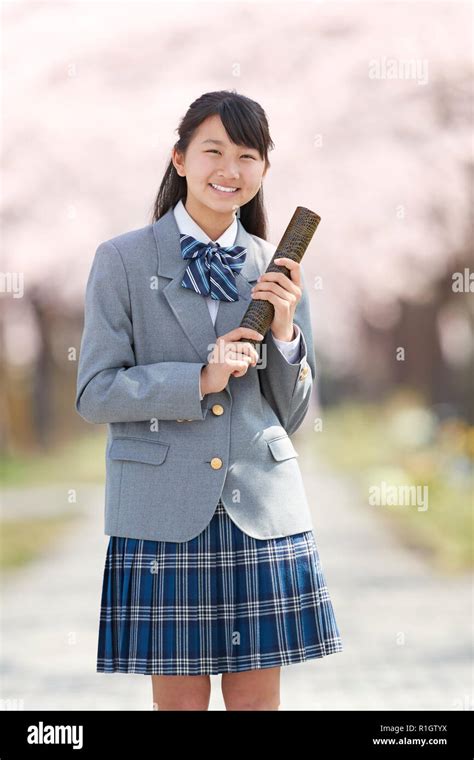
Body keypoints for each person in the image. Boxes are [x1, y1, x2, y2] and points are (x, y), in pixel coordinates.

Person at [75, 89, 343, 711]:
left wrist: (284, 333)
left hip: (263, 512)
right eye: (213, 151)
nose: (230, 170)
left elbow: (295, 412)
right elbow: (94, 392)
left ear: (264, 170)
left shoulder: (277, 266)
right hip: (163, 515)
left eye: (247, 156)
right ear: (179, 160)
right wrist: (199, 377)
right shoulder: (121, 260)